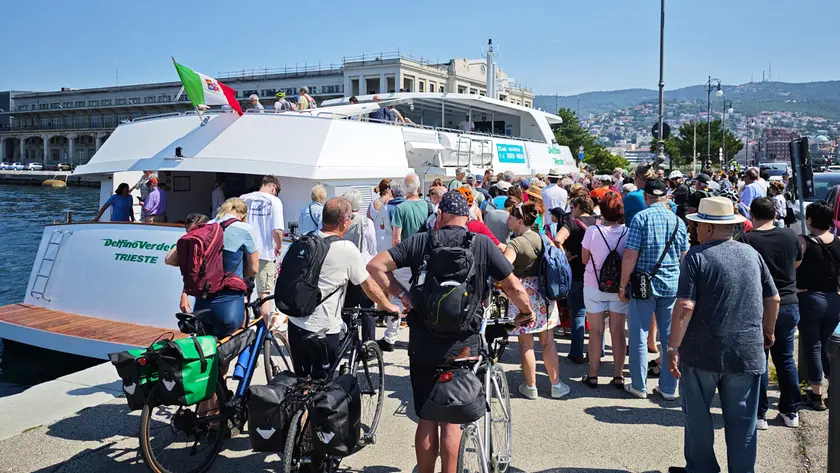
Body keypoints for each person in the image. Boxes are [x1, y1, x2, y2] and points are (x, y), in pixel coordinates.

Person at [366, 190, 535, 473]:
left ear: (441, 214)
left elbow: (375, 266)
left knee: (427, 415)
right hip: (464, 344)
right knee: (451, 418)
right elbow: (513, 286)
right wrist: (526, 312)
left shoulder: (422, 241)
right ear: (467, 217)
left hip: (423, 341)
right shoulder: (481, 243)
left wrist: (404, 296)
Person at [667, 196, 780, 473]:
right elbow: (774, 298)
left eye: (696, 225)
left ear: (707, 228)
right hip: (746, 350)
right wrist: (768, 331)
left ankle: (701, 469)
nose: (694, 230)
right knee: (743, 421)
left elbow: (685, 306)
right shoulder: (752, 255)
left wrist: (672, 347)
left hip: (701, 351)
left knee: (698, 417)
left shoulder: (696, 257)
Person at [286, 198, 398, 376]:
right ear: (345, 222)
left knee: (301, 380)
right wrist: (387, 305)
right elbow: (369, 287)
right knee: (323, 383)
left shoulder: (306, 239)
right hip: (323, 327)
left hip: (295, 322)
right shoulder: (346, 248)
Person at [618, 179, 689, 400]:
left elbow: (631, 255)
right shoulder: (678, 221)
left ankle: (639, 385)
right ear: (665, 196)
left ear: (646, 197)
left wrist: (622, 285)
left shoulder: (640, 218)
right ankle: (668, 387)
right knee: (670, 338)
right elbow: (684, 256)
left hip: (643, 284)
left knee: (639, 335)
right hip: (671, 284)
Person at [740, 197, 803, 429]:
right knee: (785, 359)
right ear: (775, 215)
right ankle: (790, 411)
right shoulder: (790, 235)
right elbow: (797, 263)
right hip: (787, 303)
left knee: (759, 360)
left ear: (751, 215)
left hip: (757, 304)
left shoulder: (746, 239)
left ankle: (759, 413)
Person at [165, 198, 259, 337]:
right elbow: (254, 268)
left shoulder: (205, 227)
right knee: (239, 338)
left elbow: (170, 259)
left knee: (203, 345)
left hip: (202, 302)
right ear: (243, 215)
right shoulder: (246, 229)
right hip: (229, 304)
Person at [504, 201, 569, 399]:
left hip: (523, 293)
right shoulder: (544, 238)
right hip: (544, 292)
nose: (508, 220)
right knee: (548, 342)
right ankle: (556, 385)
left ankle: (530, 386)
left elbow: (503, 269)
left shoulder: (515, 244)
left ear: (520, 221)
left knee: (526, 344)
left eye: (511, 217)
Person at [796, 200, 840, 411]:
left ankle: (816, 393)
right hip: (834, 299)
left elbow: (793, 267)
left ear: (810, 220)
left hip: (810, 298)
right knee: (829, 346)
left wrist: (795, 288)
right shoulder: (838, 241)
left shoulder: (804, 242)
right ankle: (834, 388)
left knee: (813, 345)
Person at [580, 193, 628, 388]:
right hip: (619, 287)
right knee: (618, 332)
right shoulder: (627, 232)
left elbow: (584, 259)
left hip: (594, 284)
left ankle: (593, 375)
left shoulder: (592, 231)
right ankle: (618, 375)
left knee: (596, 332)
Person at [554, 195, 600, 363]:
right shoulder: (598, 222)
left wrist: (565, 255)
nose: (571, 210)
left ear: (580, 206)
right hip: (597, 273)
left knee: (578, 313)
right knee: (597, 316)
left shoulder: (572, 223)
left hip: (576, 271)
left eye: (573, 207)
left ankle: (577, 352)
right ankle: (598, 352)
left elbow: (557, 239)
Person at [240, 175, 285, 318]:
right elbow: (277, 231)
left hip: (245, 252)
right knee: (264, 294)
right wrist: (279, 246)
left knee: (244, 292)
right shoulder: (274, 201)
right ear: (274, 187)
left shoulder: (243, 198)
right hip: (265, 253)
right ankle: (263, 328)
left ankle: (242, 326)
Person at [342, 189, 379, 342]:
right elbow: (372, 248)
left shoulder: (342, 222)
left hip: (346, 268)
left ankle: (346, 341)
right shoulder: (366, 222)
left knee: (346, 308)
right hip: (363, 268)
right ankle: (369, 343)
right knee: (367, 308)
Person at [176, 213, 211, 313]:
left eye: (194, 232)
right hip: (202, 293)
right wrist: (184, 294)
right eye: (188, 233)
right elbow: (168, 259)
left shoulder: (211, 244)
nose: (191, 236)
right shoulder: (190, 244)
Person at [392, 173, 433, 247]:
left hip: (408, 250)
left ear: (404, 189)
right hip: (426, 250)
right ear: (419, 189)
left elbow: (396, 240)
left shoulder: (400, 208)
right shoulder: (430, 206)